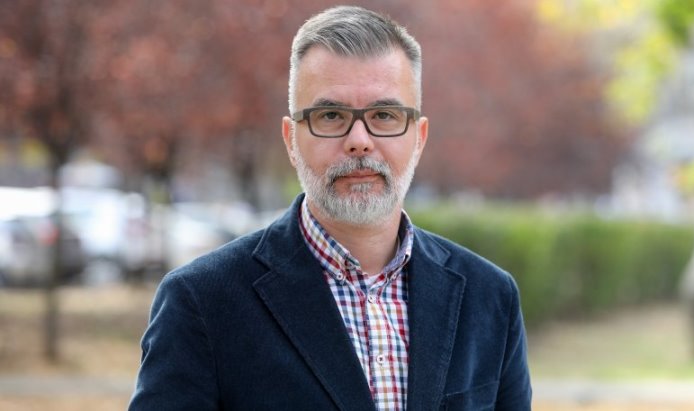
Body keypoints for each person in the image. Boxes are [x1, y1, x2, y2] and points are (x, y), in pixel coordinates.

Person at [129, 5, 532, 411]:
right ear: (291, 139)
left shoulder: (490, 298)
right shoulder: (202, 302)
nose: (359, 140)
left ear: (419, 138)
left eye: (385, 115)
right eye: (331, 115)